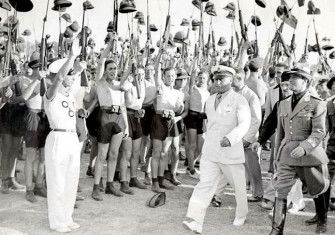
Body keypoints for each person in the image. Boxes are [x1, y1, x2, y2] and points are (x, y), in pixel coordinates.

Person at [183, 66, 251, 234]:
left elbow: (244, 123)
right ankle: (195, 220)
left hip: (231, 151)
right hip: (211, 151)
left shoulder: (239, 100)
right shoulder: (210, 99)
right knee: (204, 185)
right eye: (216, 78)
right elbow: (209, 124)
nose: (218, 81)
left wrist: (232, 137)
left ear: (231, 80)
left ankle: (241, 214)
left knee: (238, 187)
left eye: (223, 78)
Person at [269, 65, 329, 235]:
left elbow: (319, 132)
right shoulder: (283, 104)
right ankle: (276, 230)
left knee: (316, 188)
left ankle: (322, 220)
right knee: (281, 190)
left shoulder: (316, 103)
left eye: (297, 77)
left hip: (308, 155)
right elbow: (280, 133)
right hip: (287, 154)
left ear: (306, 82)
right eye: (290, 77)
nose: (291, 80)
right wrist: (276, 157)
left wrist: (304, 148)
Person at [43, 37, 82, 233]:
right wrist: (72, 56)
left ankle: (67, 218)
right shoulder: (50, 93)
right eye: (69, 74)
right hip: (57, 138)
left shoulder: (69, 93)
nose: (72, 77)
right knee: (57, 182)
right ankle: (57, 221)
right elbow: (58, 78)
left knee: (71, 180)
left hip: (72, 138)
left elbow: (79, 72)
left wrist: (78, 62)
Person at [184, 70, 209, 179]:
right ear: (197, 78)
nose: (202, 80)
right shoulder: (193, 88)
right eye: (200, 77)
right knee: (192, 145)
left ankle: (190, 165)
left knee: (200, 147)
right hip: (192, 117)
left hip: (202, 118)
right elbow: (191, 78)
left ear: (207, 79)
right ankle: (192, 169)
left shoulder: (208, 92)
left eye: (204, 78)